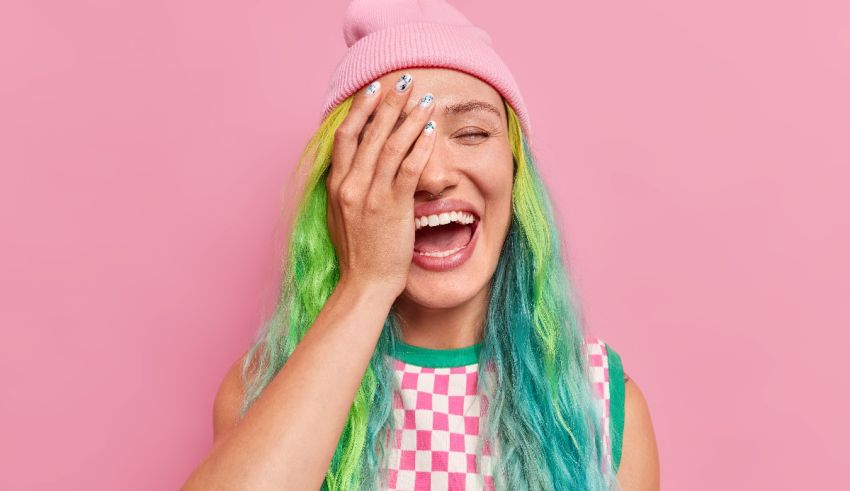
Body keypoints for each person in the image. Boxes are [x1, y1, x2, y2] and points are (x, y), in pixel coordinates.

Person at [183, 1, 659, 489]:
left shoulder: (597, 399)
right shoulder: (263, 388)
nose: (431, 176)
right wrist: (366, 284)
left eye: (472, 132)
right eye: (390, 146)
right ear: (342, 190)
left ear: (516, 172)